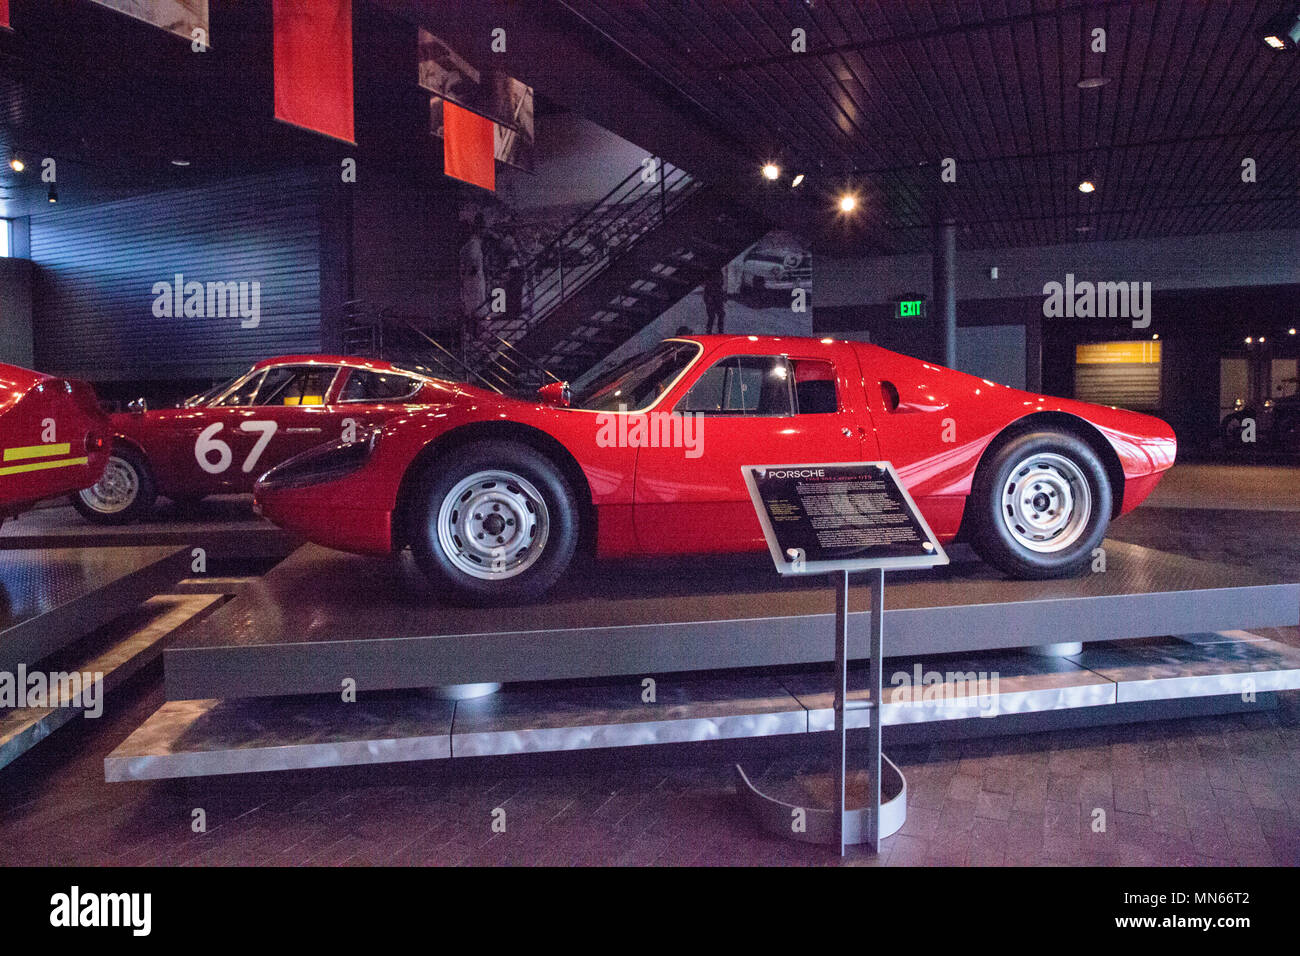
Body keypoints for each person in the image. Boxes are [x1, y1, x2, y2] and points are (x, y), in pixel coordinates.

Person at [459, 214, 487, 343]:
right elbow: (473, 266)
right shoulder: (473, 245)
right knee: (475, 309)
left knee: (472, 309)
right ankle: (476, 335)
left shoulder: (469, 245)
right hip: (473, 281)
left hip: (470, 280)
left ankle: (474, 334)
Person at [703, 269, 726, 334]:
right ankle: (709, 331)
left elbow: (721, 284)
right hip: (711, 296)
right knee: (712, 316)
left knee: (720, 315)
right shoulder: (710, 272)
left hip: (717, 296)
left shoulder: (718, 272)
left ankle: (720, 330)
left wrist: (722, 296)